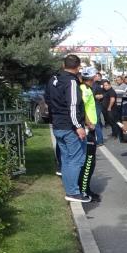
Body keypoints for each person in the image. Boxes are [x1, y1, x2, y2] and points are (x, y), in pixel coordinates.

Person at [45, 54, 89, 203]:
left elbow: (48, 100)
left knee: (66, 158)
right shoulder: (71, 82)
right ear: (78, 67)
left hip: (57, 125)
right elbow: (72, 106)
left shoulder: (54, 79)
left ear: (63, 65)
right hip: (69, 126)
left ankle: (69, 187)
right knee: (76, 159)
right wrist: (78, 126)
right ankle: (73, 191)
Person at [78, 68, 102, 202]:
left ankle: (86, 189)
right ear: (92, 78)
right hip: (88, 129)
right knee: (88, 162)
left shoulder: (86, 89)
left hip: (90, 129)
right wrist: (88, 123)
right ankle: (84, 190)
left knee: (90, 162)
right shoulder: (84, 90)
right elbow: (82, 108)